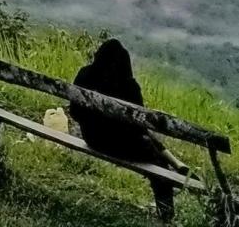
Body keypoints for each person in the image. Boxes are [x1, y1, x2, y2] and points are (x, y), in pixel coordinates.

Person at [70, 39, 186, 221]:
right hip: (121, 146)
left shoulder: (84, 74)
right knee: (159, 164)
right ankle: (166, 215)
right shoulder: (129, 86)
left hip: (92, 138)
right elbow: (139, 126)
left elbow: (74, 113)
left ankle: (175, 162)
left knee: (148, 142)